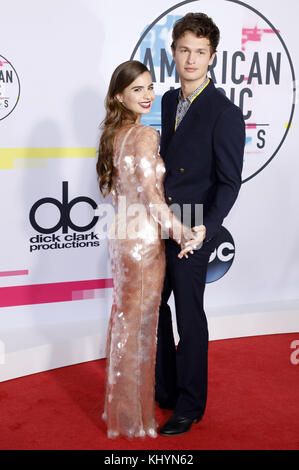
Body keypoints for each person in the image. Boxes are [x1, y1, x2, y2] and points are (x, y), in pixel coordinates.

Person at [96, 60, 200, 439]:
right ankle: (135, 421)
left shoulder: (112, 134)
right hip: (141, 241)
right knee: (140, 329)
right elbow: (154, 199)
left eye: (150, 87)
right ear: (120, 95)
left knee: (124, 321)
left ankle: (122, 410)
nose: (147, 95)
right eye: (137, 89)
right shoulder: (143, 136)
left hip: (121, 235)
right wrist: (182, 232)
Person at [155, 13, 246, 436]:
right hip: (160, 222)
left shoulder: (224, 112)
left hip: (193, 227)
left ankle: (190, 406)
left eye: (200, 52)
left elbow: (229, 183)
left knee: (190, 316)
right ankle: (168, 388)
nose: (191, 59)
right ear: (173, 52)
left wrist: (205, 229)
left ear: (212, 57)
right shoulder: (170, 100)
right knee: (155, 308)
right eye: (184, 49)